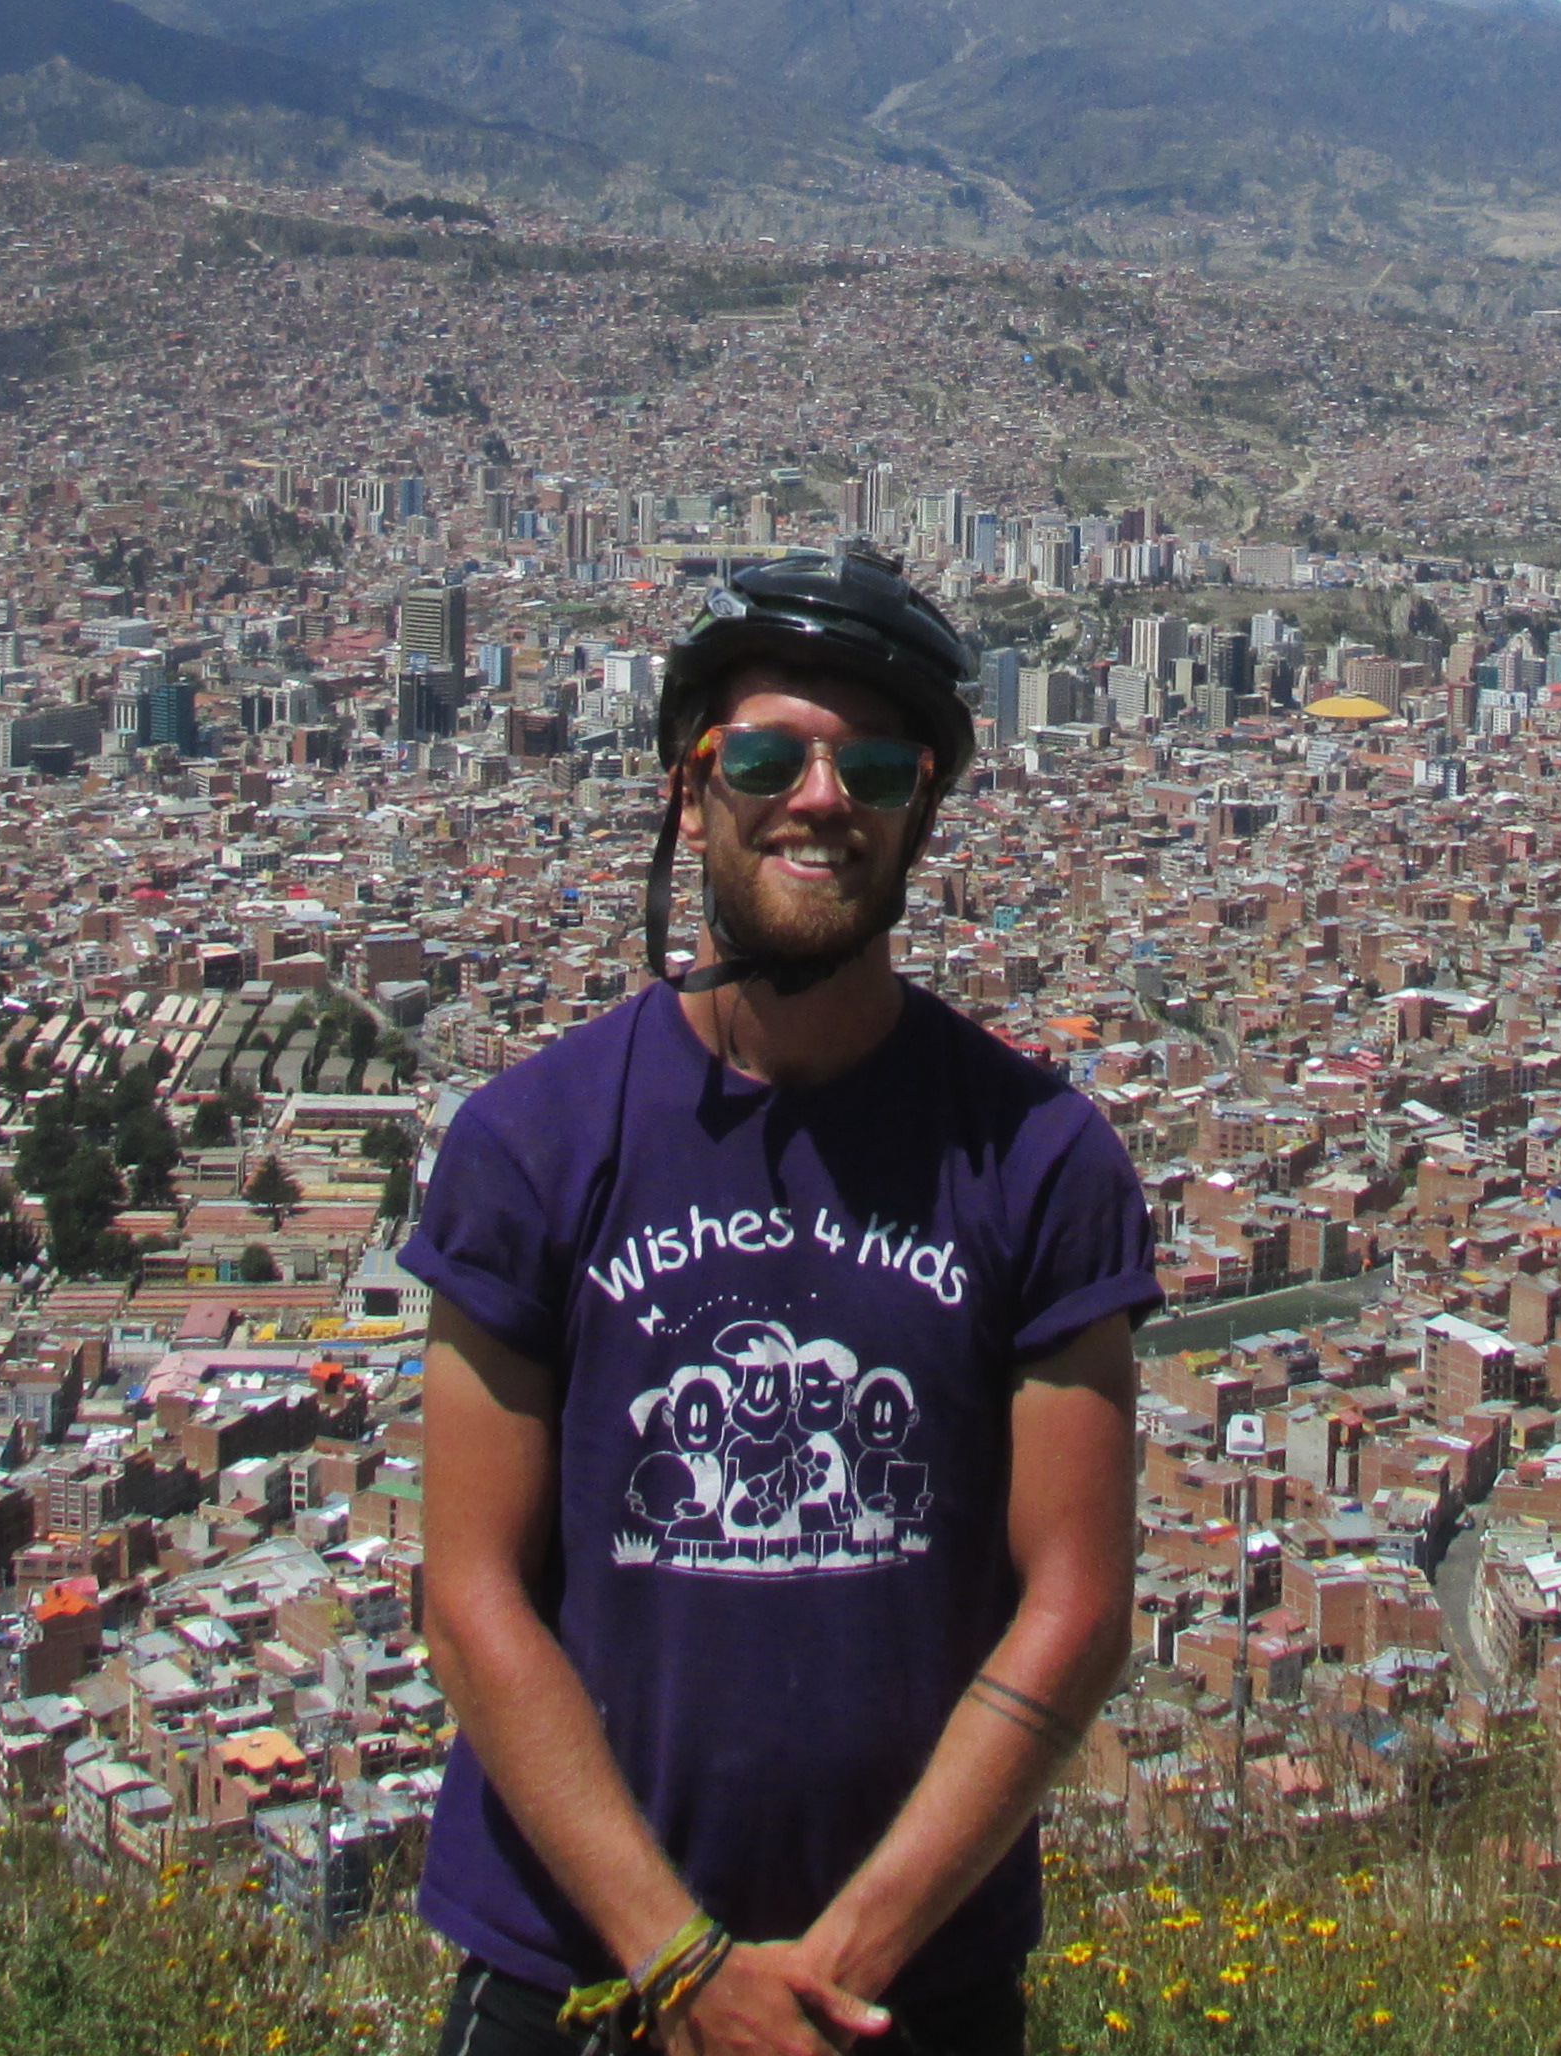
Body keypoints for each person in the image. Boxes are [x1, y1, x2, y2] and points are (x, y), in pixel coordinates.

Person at [404, 546, 1153, 2056]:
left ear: (918, 810)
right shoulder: (532, 1147)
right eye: (764, 757)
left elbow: (1076, 1607)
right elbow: (469, 1593)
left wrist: (834, 1972)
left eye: (872, 768)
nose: (820, 798)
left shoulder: (1038, 1161)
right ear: (690, 793)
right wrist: (681, 1963)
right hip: (573, 1977)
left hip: (904, 1994)